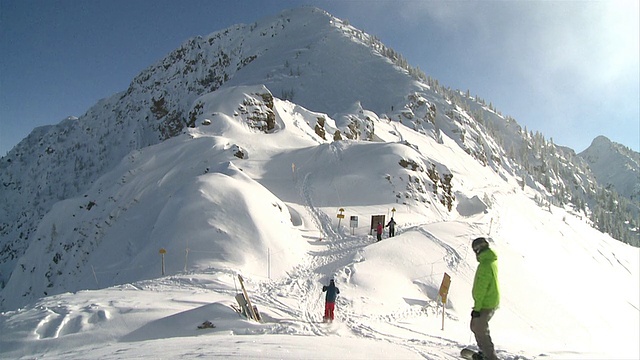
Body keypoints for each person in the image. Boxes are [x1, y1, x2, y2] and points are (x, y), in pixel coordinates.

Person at [470, 237, 500, 360]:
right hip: (489, 300)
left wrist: (477, 309)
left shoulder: (485, 265)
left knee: (480, 329)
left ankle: (491, 357)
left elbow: (481, 288)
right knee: (474, 326)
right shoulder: (489, 260)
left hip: (485, 303)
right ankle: (484, 353)